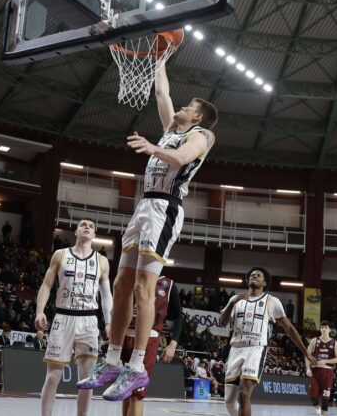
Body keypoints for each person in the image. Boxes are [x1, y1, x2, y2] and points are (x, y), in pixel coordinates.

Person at [79, 60, 218, 401]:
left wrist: (154, 148)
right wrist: (162, 58)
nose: (181, 108)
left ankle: (137, 366)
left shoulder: (201, 135)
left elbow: (182, 158)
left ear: (197, 117)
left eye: (188, 107)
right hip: (144, 207)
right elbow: (161, 91)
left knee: (144, 286)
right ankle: (112, 359)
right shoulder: (170, 131)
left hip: (165, 209)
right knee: (120, 282)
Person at [35, 219, 112, 416]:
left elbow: (106, 295)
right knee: (53, 377)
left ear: (94, 235)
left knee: (87, 381)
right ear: (76, 231)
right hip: (63, 318)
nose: (87, 227)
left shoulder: (102, 261)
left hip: (89, 321)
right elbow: (46, 285)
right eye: (83, 224)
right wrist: (40, 311)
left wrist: (109, 321)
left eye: (92, 226)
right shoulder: (60, 255)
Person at [219, 267, 316, 416]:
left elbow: (289, 328)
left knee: (244, 393)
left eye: (258, 275)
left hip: (256, 349)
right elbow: (222, 322)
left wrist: (306, 352)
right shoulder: (236, 300)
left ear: (265, 282)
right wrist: (231, 303)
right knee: (229, 401)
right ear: (247, 280)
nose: (254, 276)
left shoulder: (272, 301)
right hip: (236, 349)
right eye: (252, 275)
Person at [120, 276, 183, 416]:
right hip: (126, 335)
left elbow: (178, 316)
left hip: (149, 337)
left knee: (137, 393)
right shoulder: (132, 274)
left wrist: (173, 344)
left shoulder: (168, 284)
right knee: (125, 390)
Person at [305, 321, 337, 416]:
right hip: (316, 371)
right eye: (322, 327)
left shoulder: (334, 342)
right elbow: (307, 355)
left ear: (329, 329)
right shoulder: (314, 340)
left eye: (325, 327)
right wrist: (308, 368)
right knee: (313, 397)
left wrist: (325, 361)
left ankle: (323, 414)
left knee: (325, 399)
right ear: (320, 329)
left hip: (327, 372)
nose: (324, 329)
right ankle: (317, 409)